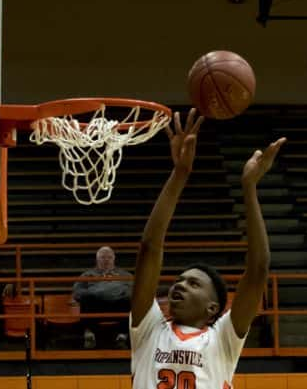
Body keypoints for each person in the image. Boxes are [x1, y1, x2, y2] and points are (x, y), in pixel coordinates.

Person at [129, 108, 285, 389]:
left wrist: (249, 188)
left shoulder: (222, 339)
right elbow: (149, 247)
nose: (180, 285)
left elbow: (258, 270)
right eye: (179, 280)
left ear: (212, 308)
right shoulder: (148, 329)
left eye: (193, 283)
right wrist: (180, 173)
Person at [72, 246, 132, 349]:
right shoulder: (87, 275)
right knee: (86, 299)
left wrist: (117, 293)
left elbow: (134, 291)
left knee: (129, 300)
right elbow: (77, 293)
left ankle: (122, 337)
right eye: (103, 257)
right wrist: (95, 292)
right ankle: (89, 335)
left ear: (114, 259)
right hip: (96, 306)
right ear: (97, 259)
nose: (106, 260)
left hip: (118, 305)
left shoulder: (125, 275)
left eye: (109, 257)